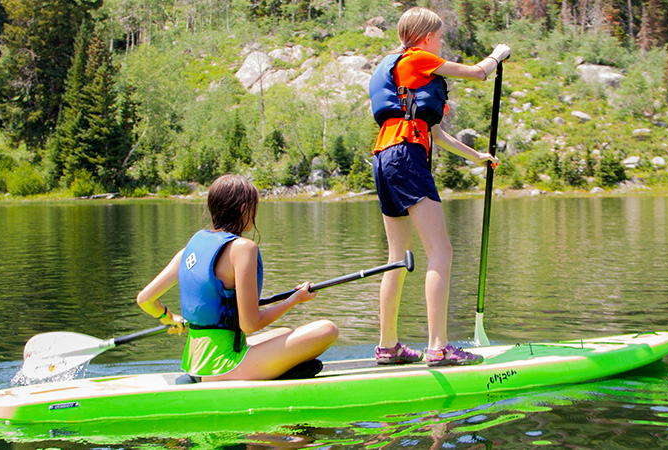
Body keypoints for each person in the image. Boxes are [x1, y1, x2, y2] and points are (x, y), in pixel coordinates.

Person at [366, 7, 511, 366]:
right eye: (440, 35)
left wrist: (475, 155)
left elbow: (437, 134)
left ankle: (388, 346)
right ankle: (439, 347)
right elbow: (478, 73)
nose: (441, 41)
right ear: (426, 36)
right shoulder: (418, 59)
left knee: (397, 258)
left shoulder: (403, 73)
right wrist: (499, 54)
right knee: (441, 251)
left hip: (385, 156)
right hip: (406, 158)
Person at [134, 175, 338, 381]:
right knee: (327, 330)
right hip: (223, 366)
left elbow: (145, 299)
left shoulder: (190, 250)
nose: (256, 213)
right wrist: (294, 300)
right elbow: (250, 324)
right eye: (254, 207)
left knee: (283, 332)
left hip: (195, 364)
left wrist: (169, 318)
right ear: (243, 209)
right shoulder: (242, 248)